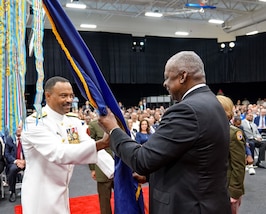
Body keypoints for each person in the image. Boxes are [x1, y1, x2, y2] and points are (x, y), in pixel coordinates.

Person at [98, 51, 231, 213]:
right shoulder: (213, 103)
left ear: (182, 76)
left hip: (188, 206)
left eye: (168, 77)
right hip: (209, 203)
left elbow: (141, 160)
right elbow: (192, 157)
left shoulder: (186, 110)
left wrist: (113, 130)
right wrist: (150, 176)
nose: (164, 83)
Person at [21, 76, 110, 214]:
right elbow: (59, 153)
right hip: (40, 197)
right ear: (48, 96)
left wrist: (117, 173)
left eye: (71, 96)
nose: (69, 100)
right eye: (64, 96)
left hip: (63, 192)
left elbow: (90, 146)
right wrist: (102, 143)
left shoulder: (72, 121)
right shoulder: (34, 123)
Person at [217, 95, 246, 214]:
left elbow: (239, 166)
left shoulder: (233, 133)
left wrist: (234, 193)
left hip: (227, 189)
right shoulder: (210, 130)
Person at [88, 117, 114, 214]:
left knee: (124, 196)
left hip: (120, 165)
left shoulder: (120, 122)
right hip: (103, 167)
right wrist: (92, 168)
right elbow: (90, 147)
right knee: (104, 200)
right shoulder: (94, 124)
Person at [4, 123, 25, 202]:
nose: (19, 129)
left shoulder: (27, 139)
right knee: (12, 170)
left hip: (26, 162)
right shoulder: (10, 139)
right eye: (18, 127)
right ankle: (12, 191)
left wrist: (25, 162)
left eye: (21, 127)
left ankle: (32, 191)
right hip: (14, 162)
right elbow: (6, 154)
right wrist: (16, 161)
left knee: (34, 168)